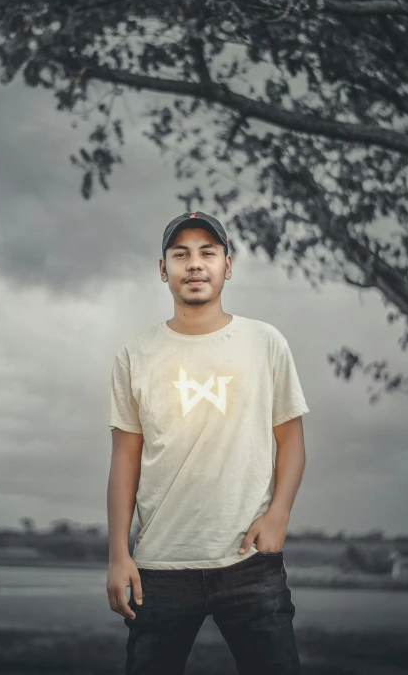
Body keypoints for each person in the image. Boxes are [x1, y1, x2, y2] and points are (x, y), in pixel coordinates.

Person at [106, 210, 309, 674]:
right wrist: (119, 553)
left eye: (207, 253)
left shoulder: (265, 342)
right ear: (164, 270)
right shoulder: (135, 355)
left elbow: (292, 440)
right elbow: (125, 460)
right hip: (159, 565)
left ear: (227, 265)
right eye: (181, 255)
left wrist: (278, 515)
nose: (194, 264)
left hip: (250, 562)